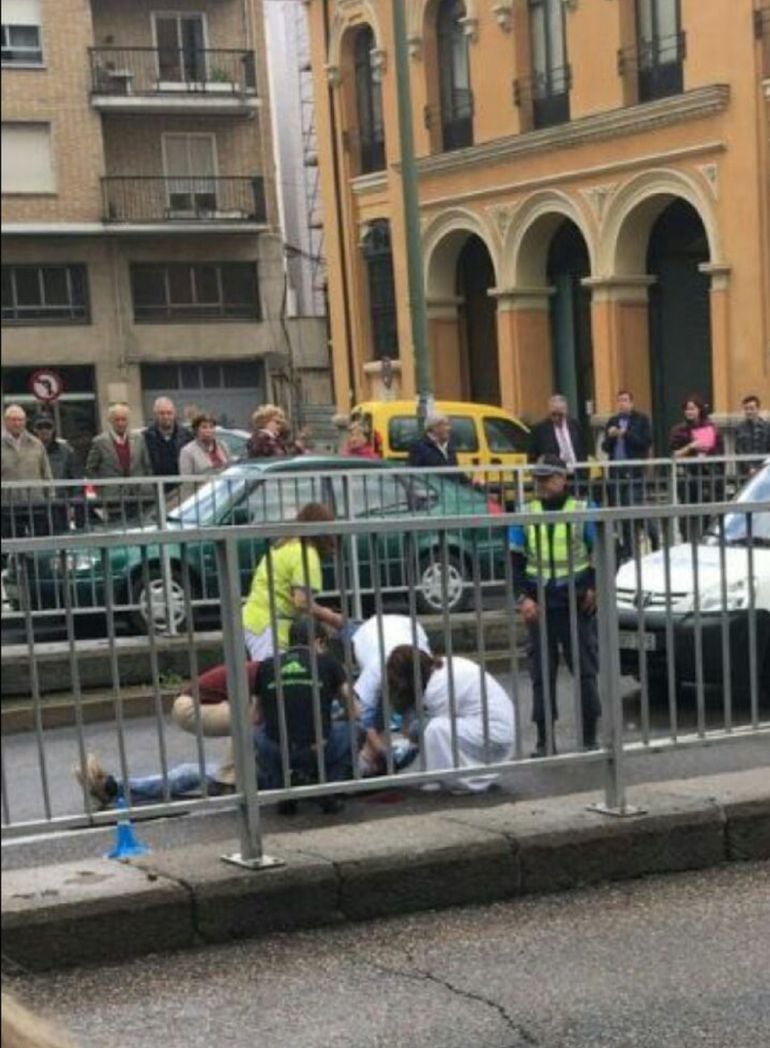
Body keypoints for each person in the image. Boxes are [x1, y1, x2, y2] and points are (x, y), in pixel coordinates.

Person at [508, 454, 600, 757]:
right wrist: (523, 598)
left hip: (575, 602)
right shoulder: (525, 512)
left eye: (547, 478)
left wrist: (594, 588)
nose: (541, 484)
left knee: (585, 671)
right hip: (540, 604)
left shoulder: (584, 510)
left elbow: (601, 550)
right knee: (541, 676)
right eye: (538, 479)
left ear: (563, 479)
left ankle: (589, 738)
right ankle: (544, 741)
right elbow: (515, 562)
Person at [254, 617, 356, 813]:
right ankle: (325, 788)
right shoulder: (328, 662)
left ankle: (283, 789)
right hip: (317, 748)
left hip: (278, 749)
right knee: (355, 730)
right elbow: (354, 710)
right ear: (318, 642)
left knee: (257, 735)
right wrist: (333, 718)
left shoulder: (266, 665)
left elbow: (255, 717)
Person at [386, 647, 515, 793]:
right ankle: (450, 775)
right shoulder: (445, 666)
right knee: (434, 728)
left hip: (493, 735)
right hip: (496, 728)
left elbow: (430, 737)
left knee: (434, 729)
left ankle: (457, 781)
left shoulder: (436, 689)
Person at [242, 502, 343, 660]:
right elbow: (301, 601)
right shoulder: (306, 555)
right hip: (268, 626)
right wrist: (331, 617)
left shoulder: (284, 546)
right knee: (273, 676)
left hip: (255, 620)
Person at [171, 659, 262, 788]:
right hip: (190, 707)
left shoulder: (258, 668)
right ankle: (228, 780)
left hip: (189, 703)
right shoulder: (263, 673)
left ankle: (232, 777)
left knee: (249, 717)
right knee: (252, 718)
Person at [601, 390, 657, 560]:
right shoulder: (613, 421)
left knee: (635, 508)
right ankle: (629, 550)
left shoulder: (641, 420)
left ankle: (654, 537)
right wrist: (611, 437)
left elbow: (645, 442)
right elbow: (605, 447)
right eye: (619, 401)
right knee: (622, 512)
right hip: (616, 472)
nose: (622, 404)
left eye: (625, 400)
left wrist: (626, 434)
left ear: (632, 403)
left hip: (634, 472)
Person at [669, 394, 724, 541]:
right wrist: (691, 446)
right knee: (687, 513)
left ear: (699, 410)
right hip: (688, 477)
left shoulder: (711, 427)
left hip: (707, 476)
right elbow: (674, 455)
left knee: (708, 513)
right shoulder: (678, 430)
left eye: (692, 409)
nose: (689, 412)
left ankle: (706, 540)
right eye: (687, 409)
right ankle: (687, 541)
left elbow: (719, 452)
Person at [85, 402, 152, 521]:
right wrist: (102, 487)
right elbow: (90, 469)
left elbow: (146, 464)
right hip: (113, 497)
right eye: (117, 420)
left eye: (123, 419)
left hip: (137, 494)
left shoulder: (139, 439)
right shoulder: (100, 442)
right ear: (110, 421)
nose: (121, 423)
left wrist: (147, 485)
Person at [1, 402, 53, 547]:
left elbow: (46, 472)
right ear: (6, 422)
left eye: (20, 420)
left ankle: (39, 569)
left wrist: (51, 498)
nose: (17, 423)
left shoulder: (36, 443)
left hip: (35, 503)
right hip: (7, 506)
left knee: (39, 545)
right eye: (13, 419)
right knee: (11, 546)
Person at [528, 395, 589, 493]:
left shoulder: (575, 426)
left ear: (566, 411)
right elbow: (532, 455)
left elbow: (583, 450)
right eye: (553, 414)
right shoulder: (540, 429)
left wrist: (585, 474)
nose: (556, 418)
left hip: (576, 476)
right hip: (553, 478)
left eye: (560, 414)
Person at [30, 413, 80, 532]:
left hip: (60, 506)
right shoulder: (27, 451)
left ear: (53, 429)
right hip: (35, 506)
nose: (44, 430)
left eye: (48, 426)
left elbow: (76, 479)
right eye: (40, 427)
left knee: (62, 542)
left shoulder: (66, 451)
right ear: (34, 429)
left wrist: (73, 504)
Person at [142, 396, 192, 485]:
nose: (166, 416)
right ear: (155, 415)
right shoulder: (146, 436)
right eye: (162, 413)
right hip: (156, 487)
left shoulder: (186, 435)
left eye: (169, 413)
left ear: (174, 414)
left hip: (181, 486)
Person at [178, 411, 230, 482]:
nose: (208, 430)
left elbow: (230, 470)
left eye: (211, 427)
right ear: (196, 430)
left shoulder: (223, 446)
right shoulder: (187, 451)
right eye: (204, 427)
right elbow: (186, 482)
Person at [734, 394, 770, 478]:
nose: (749, 411)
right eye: (746, 409)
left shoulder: (767, 427)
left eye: (751, 408)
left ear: (758, 409)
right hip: (745, 472)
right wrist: (750, 467)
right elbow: (739, 450)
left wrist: (763, 467)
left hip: (765, 470)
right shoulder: (739, 428)